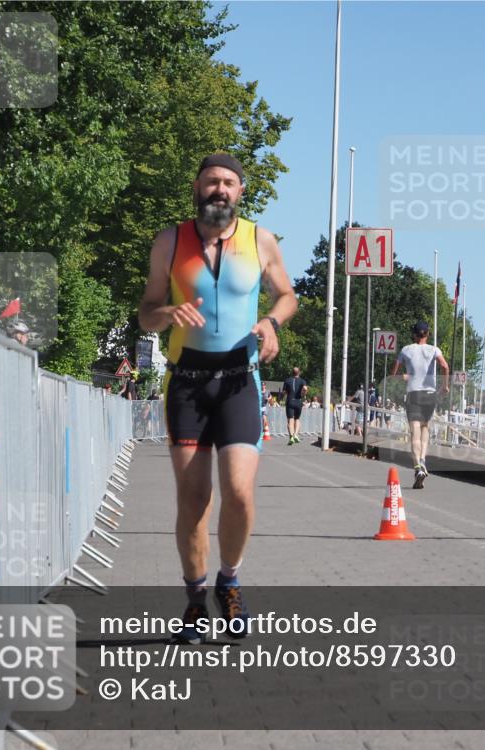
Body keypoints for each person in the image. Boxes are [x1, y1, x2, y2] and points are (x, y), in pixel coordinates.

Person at [138, 153, 297, 644]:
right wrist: (166, 313)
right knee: (193, 500)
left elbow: (288, 294)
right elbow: (146, 313)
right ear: (197, 187)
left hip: (238, 381)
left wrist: (271, 323)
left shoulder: (259, 239)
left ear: (240, 191)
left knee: (240, 493)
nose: (219, 190)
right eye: (211, 182)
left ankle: (229, 580)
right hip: (186, 382)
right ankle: (194, 598)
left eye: (228, 183)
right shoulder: (171, 240)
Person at [391, 321, 449, 489]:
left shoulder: (406, 350)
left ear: (414, 334)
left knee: (414, 431)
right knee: (425, 428)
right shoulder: (434, 350)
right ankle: (423, 461)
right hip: (430, 394)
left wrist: (400, 378)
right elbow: (444, 366)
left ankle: (417, 466)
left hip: (413, 394)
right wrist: (444, 386)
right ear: (427, 334)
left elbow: (393, 373)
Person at [281, 366, 308, 445]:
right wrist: (304, 392)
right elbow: (304, 390)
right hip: (298, 402)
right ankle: (296, 434)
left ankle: (291, 436)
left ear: (292, 372)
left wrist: (281, 397)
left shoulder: (287, 380)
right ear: (299, 372)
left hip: (290, 401)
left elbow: (284, 392)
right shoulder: (302, 381)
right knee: (297, 419)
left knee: (290, 420)